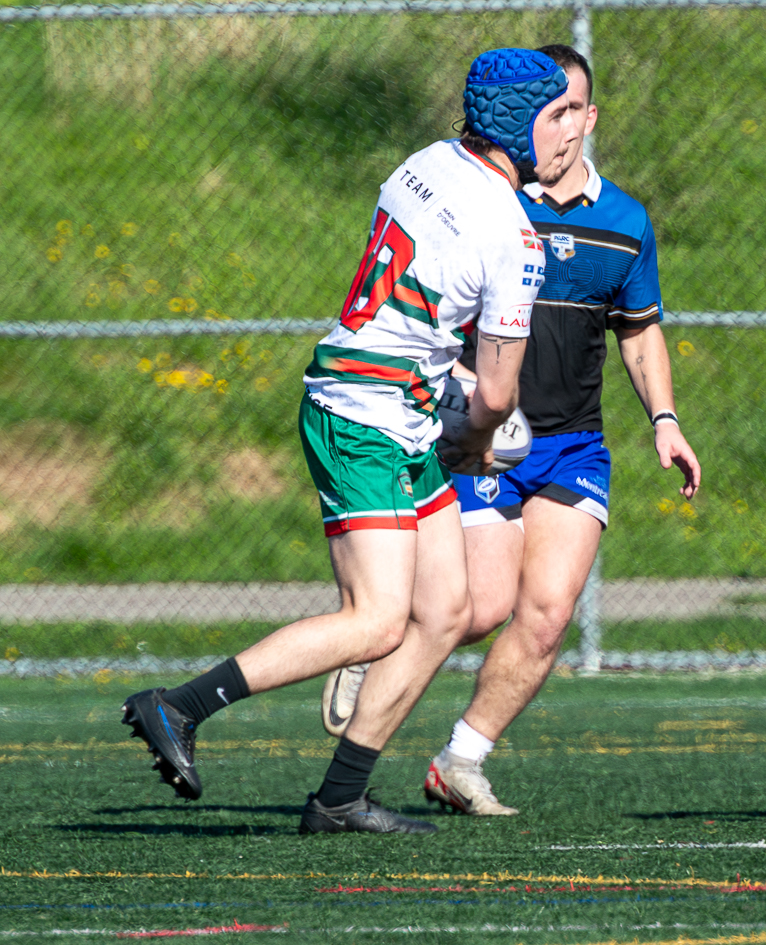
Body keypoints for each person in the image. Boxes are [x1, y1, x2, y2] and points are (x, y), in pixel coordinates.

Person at [120, 48, 571, 834]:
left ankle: (339, 798)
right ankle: (178, 705)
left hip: (389, 402)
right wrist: (477, 438)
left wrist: (450, 405)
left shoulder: (425, 162)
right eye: (558, 113)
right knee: (376, 620)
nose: (572, 131)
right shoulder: (516, 237)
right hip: (368, 412)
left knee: (446, 609)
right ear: (517, 121)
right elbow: (498, 393)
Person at [320, 44, 702, 816]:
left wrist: (664, 418)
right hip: (480, 436)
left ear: (590, 119)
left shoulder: (626, 222)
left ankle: (461, 760)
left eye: (570, 109)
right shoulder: (493, 197)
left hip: (572, 443)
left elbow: (639, 330)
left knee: (551, 611)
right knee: (478, 608)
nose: (557, 123)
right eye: (544, 108)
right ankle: (368, 643)